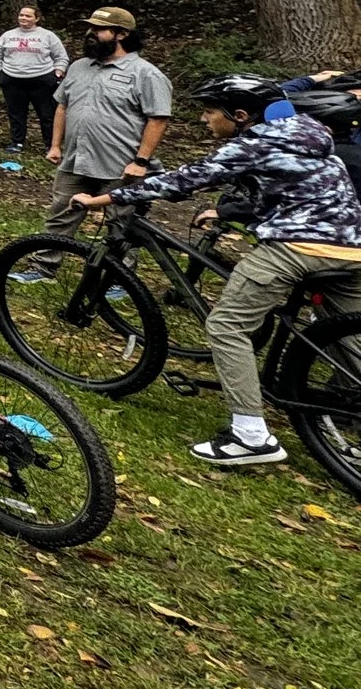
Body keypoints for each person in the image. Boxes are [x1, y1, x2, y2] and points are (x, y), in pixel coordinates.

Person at [74, 74, 361, 468]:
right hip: (352, 249)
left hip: (298, 248)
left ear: (240, 115)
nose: (204, 120)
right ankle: (348, 410)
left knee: (227, 325)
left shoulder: (256, 142)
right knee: (347, 339)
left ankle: (251, 437)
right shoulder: (309, 131)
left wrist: (104, 198)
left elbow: (185, 179)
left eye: (209, 112)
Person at [40, 5, 171, 252]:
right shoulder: (79, 67)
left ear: (121, 34)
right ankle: (43, 266)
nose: (91, 33)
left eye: (99, 29)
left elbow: (158, 120)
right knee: (60, 215)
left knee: (119, 222)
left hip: (120, 166)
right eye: (90, 27)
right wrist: (56, 145)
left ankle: (117, 279)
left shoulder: (146, 74)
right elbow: (62, 106)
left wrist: (141, 162)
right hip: (75, 160)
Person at [0, 6, 68, 157]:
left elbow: (61, 57)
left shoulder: (48, 36)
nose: (23, 18)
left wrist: (58, 73)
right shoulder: (8, 35)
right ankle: (16, 142)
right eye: (21, 15)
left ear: (37, 18)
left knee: (47, 114)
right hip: (12, 80)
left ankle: (50, 145)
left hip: (42, 80)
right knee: (16, 113)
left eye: (28, 16)